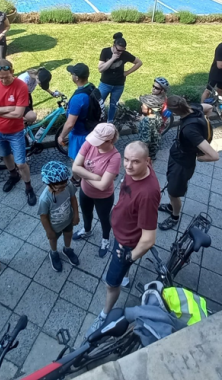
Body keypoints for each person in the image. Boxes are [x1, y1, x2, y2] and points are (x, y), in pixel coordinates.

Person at [87, 141, 159, 337]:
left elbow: (149, 239)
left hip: (125, 242)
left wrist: (129, 256)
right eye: (126, 160)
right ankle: (125, 275)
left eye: (135, 162)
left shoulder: (147, 194)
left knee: (111, 283)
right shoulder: (135, 172)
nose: (128, 166)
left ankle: (105, 314)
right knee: (121, 273)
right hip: (122, 230)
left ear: (148, 161)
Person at [158, 96, 219, 231]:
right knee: (171, 184)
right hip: (177, 155)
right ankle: (171, 206)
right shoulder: (195, 108)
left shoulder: (190, 131)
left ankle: (175, 216)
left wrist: (200, 158)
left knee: (174, 193)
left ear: (174, 112)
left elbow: (214, 155)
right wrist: (205, 122)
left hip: (183, 163)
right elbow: (209, 107)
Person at [0, 59, 37, 206]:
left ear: (12, 72)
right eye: (0, 77)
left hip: (15, 132)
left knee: (21, 163)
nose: (4, 80)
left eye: (6, 76)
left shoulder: (21, 86)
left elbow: (19, 114)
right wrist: (8, 108)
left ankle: (28, 186)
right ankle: (13, 176)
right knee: (5, 155)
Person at [72, 123, 121, 257]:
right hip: (85, 191)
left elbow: (103, 186)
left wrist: (83, 174)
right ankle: (87, 230)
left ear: (109, 141)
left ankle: (105, 239)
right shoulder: (90, 144)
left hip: (104, 197)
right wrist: (94, 176)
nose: (95, 144)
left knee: (104, 218)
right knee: (86, 214)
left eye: (99, 142)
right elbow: (75, 167)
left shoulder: (115, 157)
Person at [38, 161, 80, 272]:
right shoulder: (44, 199)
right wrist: (49, 231)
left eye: (64, 186)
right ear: (49, 183)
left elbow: (73, 199)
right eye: (59, 188)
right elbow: (43, 216)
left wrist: (76, 214)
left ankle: (67, 249)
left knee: (68, 234)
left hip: (68, 219)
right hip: (54, 226)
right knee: (53, 239)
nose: (63, 189)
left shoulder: (68, 185)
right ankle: (53, 252)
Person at [97, 32, 142, 122]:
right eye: (118, 50)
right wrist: (113, 58)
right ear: (114, 46)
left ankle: (110, 122)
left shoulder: (125, 54)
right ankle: (96, 121)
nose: (120, 53)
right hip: (105, 84)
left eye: (122, 50)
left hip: (118, 85)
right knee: (98, 104)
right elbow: (100, 69)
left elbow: (139, 62)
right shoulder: (105, 52)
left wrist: (127, 72)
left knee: (113, 105)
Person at [57, 63, 94, 161]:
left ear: (76, 78)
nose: (71, 76)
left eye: (72, 74)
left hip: (80, 136)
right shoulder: (92, 88)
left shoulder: (78, 98)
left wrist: (61, 136)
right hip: (92, 132)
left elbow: (70, 124)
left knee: (77, 165)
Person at [137, 77, 169, 160]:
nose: (153, 89)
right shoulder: (155, 114)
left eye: (157, 88)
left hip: (147, 154)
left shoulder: (147, 120)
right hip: (155, 145)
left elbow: (145, 142)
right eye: (153, 86)